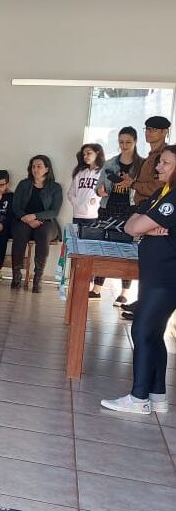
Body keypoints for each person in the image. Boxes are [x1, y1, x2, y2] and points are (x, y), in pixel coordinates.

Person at [101, 144, 176, 415]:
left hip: (166, 277)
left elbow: (137, 226)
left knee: (141, 330)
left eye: (165, 163)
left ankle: (138, 398)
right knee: (154, 333)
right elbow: (132, 225)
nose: (158, 167)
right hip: (155, 274)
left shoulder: (173, 198)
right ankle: (158, 396)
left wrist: (144, 226)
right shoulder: (162, 192)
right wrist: (144, 225)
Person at [120, 116, 170, 319]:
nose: (149, 133)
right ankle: (142, 301)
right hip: (142, 205)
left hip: (155, 208)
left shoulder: (164, 156)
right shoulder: (150, 155)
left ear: (165, 131)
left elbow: (157, 186)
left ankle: (146, 304)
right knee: (144, 256)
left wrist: (133, 184)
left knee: (151, 258)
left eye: (154, 130)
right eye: (147, 129)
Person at [91, 127, 144, 303]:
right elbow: (99, 186)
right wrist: (100, 190)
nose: (124, 145)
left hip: (130, 209)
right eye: (121, 142)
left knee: (126, 249)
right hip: (108, 207)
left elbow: (144, 189)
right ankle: (97, 288)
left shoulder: (142, 164)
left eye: (128, 142)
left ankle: (124, 292)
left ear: (135, 141)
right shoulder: (110, 163)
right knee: (103, 245)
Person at [10, 155, 63, 293]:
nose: (35, 169)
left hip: (47, 223)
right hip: (24, 220)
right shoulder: (23, 184)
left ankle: (38, 278)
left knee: (43, 232)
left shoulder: (55, 187)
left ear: (47, 169)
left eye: (39, 166)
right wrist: (27, 219)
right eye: (33, 166)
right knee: (20, 232)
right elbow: (15, 206)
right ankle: (16, 275)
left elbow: (54, 211)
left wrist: (35, 216)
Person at [66, 143, 105, 226]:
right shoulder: (80, 173)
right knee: (76, 238)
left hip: (94, 215)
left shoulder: (103, 172)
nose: (85, 156)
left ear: (97, 153)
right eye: (84, 154)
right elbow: (70, 193)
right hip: (77, 214)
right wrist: (77, 202)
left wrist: (95, 200)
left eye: (89, 153)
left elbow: (106, 192)